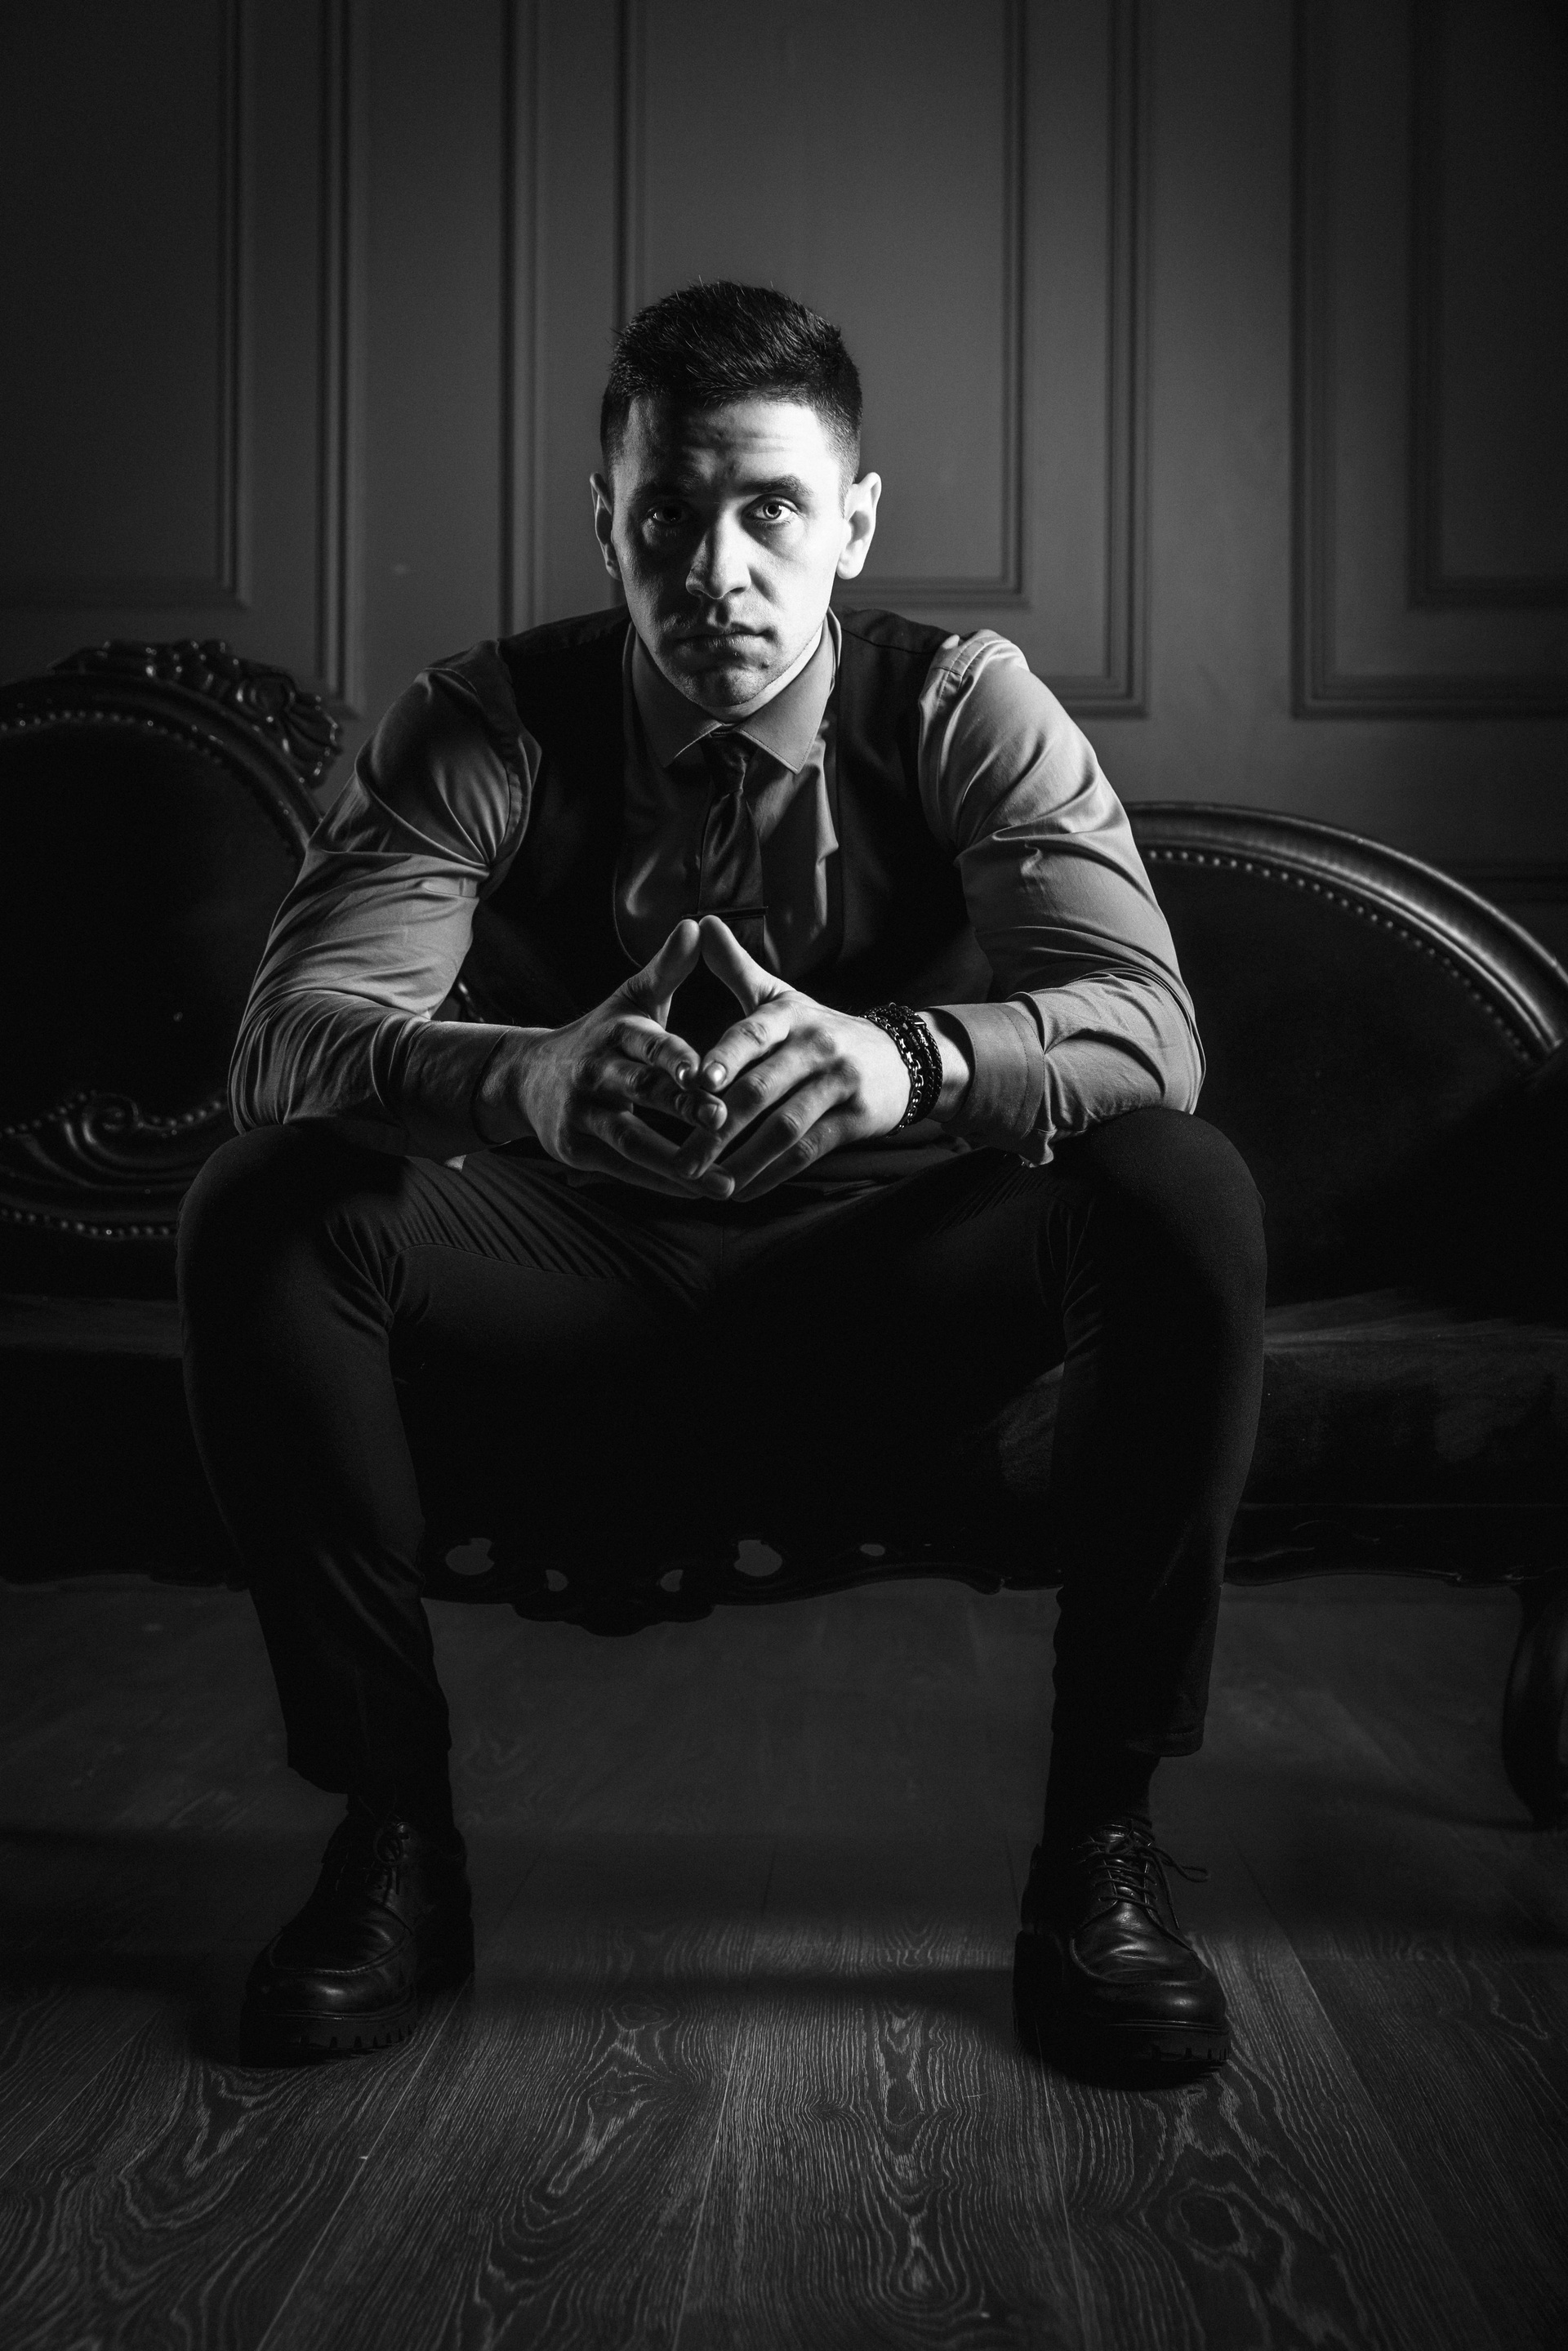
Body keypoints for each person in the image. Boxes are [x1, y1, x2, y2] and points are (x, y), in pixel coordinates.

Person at [180, 282, 1264, 2075]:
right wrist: (519, 1077)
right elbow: (285, 1041)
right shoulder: (486, 719)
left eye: (771, 510)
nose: (717, 571)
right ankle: (393, 1838)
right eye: (668, 515)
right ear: (604, 521)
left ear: (855, 521)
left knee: (1181, 1187)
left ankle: (1102, 1852)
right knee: (263, 1207)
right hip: (570, 1261)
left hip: (892, 1261)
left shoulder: (963, 706)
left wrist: (908, 1060)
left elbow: (1150, 1025)